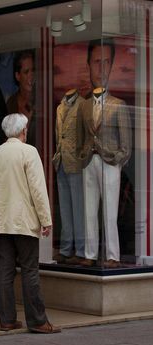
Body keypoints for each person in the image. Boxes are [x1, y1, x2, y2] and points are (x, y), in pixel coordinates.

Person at [0, 113, 61, 334]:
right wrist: (46, 219)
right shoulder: (29, 152)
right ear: (22, 131)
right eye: (26, 129)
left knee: (5, 271)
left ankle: (6, 320)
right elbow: (38, 188)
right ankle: (37, 321)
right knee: (30, 270)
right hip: (24, 221)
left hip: (1, 221)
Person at [77, 39, 132, 269]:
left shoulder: (118, 105)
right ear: (89, 65)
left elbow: (126, 144)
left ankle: (112, 255)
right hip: (89, 162)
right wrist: (82, 156)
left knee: (109, 212)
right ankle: (90, 254)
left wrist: (116, 161)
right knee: (89, 210)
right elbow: (80, 137)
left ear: (111, 67)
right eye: (97, 62)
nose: (101, 68)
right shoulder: (84, 105)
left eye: (106, 62)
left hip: (110, 163)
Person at [52, 89, 85, 265]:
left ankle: (80, 250)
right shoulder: (59, 107)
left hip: (76, 162)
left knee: (78, 209)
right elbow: (59, 136)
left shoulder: (82, 105)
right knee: (65, 209)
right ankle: (65, 249)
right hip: (61, 161)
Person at [6, 50, 36, 146]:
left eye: (33, 70)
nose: (31, 76)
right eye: (26, 72)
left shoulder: (43, 100)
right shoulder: (11, 103)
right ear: (18, 76)